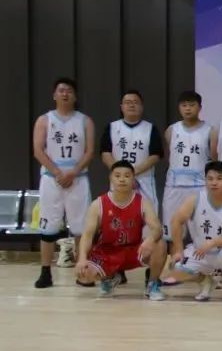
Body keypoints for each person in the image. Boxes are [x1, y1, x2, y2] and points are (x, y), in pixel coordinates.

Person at [32, 77, 96, 288]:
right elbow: (38, 150)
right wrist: (58, 172)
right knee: (48, 227)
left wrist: (73, 172)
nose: (65, 94)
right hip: (52, 179)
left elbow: (89, 151)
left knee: (81, 228)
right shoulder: (44, 120)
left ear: (75, 95)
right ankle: (45, 272)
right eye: (61, 90)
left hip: (78, 179)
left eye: (69, 90)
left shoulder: (85, 121)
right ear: (54, 95)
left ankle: (82, 271)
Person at [74, 161, 167, 300]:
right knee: (84, 275)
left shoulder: (142, 202)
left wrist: (151, 239)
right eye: (117, 176)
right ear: (111, 178)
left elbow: (157, 228)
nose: (122, 179)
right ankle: (109, 279)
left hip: (133, 250)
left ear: (133, 179)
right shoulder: (98, 204)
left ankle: (152, 285)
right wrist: (82, 259)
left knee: (160, 244)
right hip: (107, 252)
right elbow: (87, 236)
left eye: (127, 176)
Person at [167, 161, 222, 305]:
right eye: (210, 179)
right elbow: (176, 221)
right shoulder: (195, 199)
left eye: (219, 178)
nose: (214, 183)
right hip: (200, 252)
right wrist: (178, 250)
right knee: (175, 267)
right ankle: (205, 281)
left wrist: (213, 243)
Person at [161, 90, 211, 284]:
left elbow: (213, 157)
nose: (188, 108)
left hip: (199, 186)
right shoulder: (171, 130)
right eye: (184, 105)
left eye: (192, 105)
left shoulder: (209, 130)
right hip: (175, 185)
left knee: (202, 229)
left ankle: (206, 270)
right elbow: (169, 156)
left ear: (200, 107)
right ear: (179, 108)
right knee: (174, 230)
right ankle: (177, 266)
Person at [101, 89, 164, 215]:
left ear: (142, 106)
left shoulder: (150, 128)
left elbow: (155, 155)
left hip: (144, 180)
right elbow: (105, 153)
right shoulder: (112, 127)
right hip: (119, 180)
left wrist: (132, 173)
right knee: (117, 217)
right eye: (128, 102)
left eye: (135, 102)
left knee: (148, 217)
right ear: (121, 107)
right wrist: (121, 174)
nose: (131, 105)